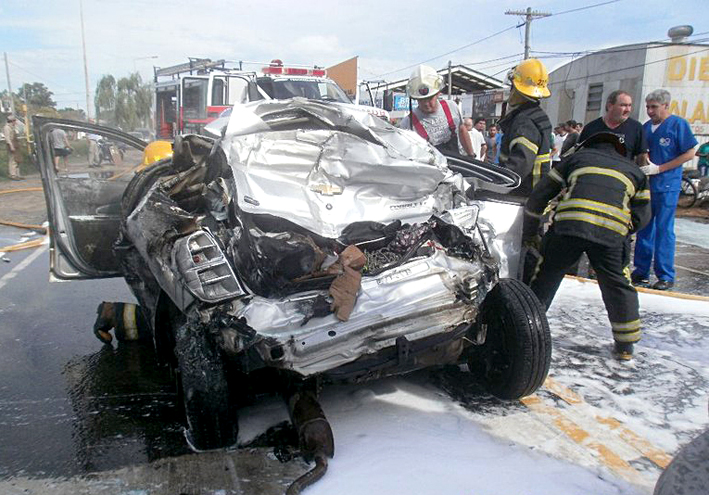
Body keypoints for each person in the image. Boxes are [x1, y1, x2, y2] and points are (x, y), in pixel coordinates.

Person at [522, 132, 651, 360]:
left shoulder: (575, 160)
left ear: (587, 145)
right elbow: (644, 213)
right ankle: (625, 345)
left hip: (569, 229)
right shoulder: (635, 171)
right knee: (617, 283)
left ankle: (526, 332)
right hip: (610, 234)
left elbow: (540, 195)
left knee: (546, 276)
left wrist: (530, 231)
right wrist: (625, 230)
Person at [631, 89, 698, 291]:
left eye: (654, 107)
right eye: (648, 107)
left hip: (667, 185)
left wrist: (660, 168)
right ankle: (641, 271)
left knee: (664, 230)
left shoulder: (678, 125)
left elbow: (689, 153)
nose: (650, 111)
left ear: (666, 106)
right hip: (647, 186)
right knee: (644, 229)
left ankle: (665, 275)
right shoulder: (645, 128)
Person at [498, 58, 553, 196]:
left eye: (512, 87)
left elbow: (520, 166)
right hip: (534, 193)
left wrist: (496, 186)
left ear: (517, 90)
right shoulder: (536, 116)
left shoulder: (524, 122)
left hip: (523, 195)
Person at [399, 65, 473, 156]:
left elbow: (462, 130)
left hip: (457, 165)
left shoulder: (451, 107)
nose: (426, 103)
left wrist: (471, 155)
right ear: (414, 98)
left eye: (430, 98)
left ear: (438, 93)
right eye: (421, 99)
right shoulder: (407, 123)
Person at [578, 90, 648, 165]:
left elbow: (642, 157)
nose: (628, 110)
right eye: (623, 105)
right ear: (610, 106)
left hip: (622, 174)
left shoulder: (636, 128)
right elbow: (580, 154)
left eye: (629, 105)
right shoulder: (591, 128)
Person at [3, 115, 23, 180]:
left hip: (15, 144)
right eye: (14, 120)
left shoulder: (13, 127)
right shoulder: (7, 128)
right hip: (11, 144)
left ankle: (18, 175)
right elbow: (7, 138)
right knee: (12, 160)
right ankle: (13, 175)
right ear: (11, 121)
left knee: (17, 160)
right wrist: (11, 146)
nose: (15, 122)